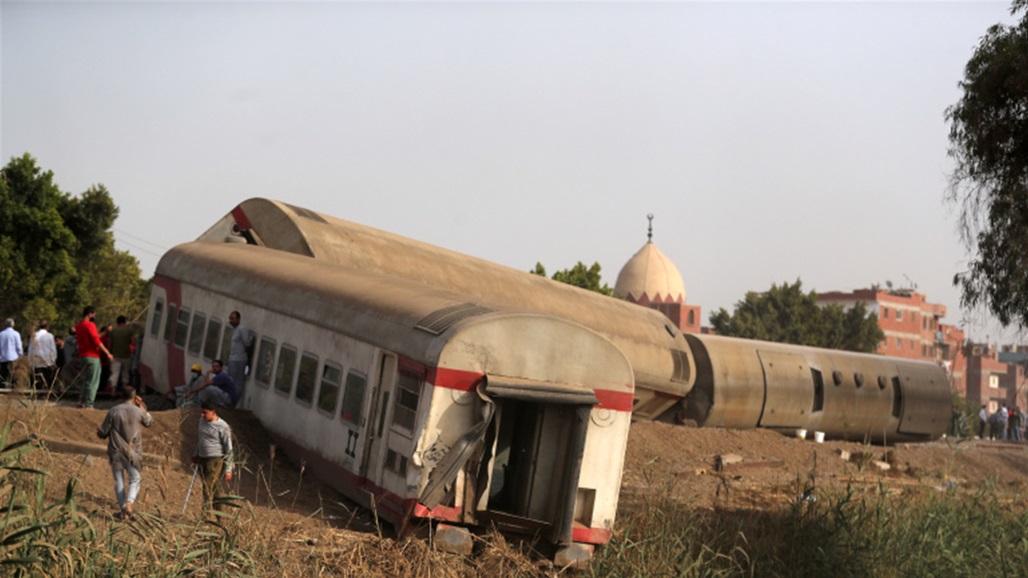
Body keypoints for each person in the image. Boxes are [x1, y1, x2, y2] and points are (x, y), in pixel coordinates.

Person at [96, 386, 153, 519]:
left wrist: (99, 432)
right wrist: (142, 406)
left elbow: (104, 432)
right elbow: (149, 422)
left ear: (121, 397)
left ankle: (123, 510)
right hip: (133, 452)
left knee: (119, 480)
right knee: (135, 479)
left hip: (116, 451)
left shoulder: (114, 410)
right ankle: (129, 503)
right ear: (134, 397)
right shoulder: (139, 411)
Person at [193, 402, 234, 513]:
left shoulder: (223, 426)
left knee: (207, 487)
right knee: (214, 488)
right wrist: (196, 454)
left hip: (215, 460)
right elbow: (201, 440)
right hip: (202, 458)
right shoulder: (202, 421)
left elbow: (228, 448)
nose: (202, 415)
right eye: (201, 412)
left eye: (205, 412)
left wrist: (229, 469)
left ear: (213, 412)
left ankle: (205, 517)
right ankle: (219, 516)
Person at [76, 306, 114, 409]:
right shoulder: (90, 324)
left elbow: (95, 336)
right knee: (93, 381)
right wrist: (108, 353)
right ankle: (89, 404)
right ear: (89, 313)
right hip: (92, 356)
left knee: (86, 380)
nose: (95, 316)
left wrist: (106, 331)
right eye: (94, 314)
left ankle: (81, 400)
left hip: (83, 356)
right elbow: (96, 341)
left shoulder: (79, 325)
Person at [227, 311, 253, 406]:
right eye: (230, 319)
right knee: (230, 380)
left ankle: (233, 402)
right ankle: (228, 399)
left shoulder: (242, 329)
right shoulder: (235, 329)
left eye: (232, 319)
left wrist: (247, 357)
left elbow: (247, 343)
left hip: (239, 359)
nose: (230, 321)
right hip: (233, 358)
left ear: (238, 319)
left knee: (237, 382)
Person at [27, 320, 58, 391]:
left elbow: (30, 348)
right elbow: (53, 349)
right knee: (47, 378)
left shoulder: (34, 335)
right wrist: (54, 360)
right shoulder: (50, 336)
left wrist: (29, 360)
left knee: (36, 379)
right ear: (47, 327)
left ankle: (36, 392)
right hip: (47, 361)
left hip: (35, 360)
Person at [108, 315, 135, 390]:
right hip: (126, 355)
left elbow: (109, 343)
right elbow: (133, 342)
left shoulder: (113, 331)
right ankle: (124, 389)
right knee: (125, 373)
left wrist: (109, 352)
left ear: (117, 322)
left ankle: (113, 389)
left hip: (115, 355)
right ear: (125, 322)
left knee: (114, 373)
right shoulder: (129, 330)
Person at [0, 318, 23, 388]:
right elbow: (19, 347)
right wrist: (20, 355)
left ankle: (4, 390)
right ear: (13, 325)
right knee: (13, 376)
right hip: (13, 358)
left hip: (3, 358)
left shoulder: (1, 334)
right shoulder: (16, 334)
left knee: (4, 376)